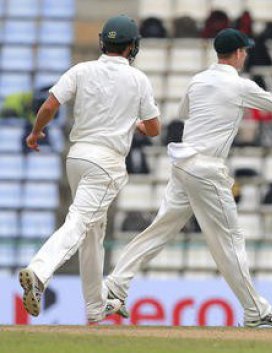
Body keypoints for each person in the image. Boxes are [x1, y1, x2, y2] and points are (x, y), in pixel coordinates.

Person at [104, 28, 272, 327]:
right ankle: (256, 312)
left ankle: (116, 284)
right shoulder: (240, 86)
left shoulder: (198, 79)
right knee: (230, 241)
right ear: (238, 53)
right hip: (206, 169)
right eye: (245, 51)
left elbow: (183, 112)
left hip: (183, 163)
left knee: (161, 228)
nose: (247, 55)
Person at [18, 15, 161, 323]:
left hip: (78, 158)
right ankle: (39, 272)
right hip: (106, 163)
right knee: (81, 222)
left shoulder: (81, 70)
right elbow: (154, 128)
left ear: (102, 42)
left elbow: (48, 106)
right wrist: (135, 125)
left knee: (93, 232)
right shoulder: (138, 79)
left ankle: (95, 309)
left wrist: (35, 132)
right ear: (131, 47)